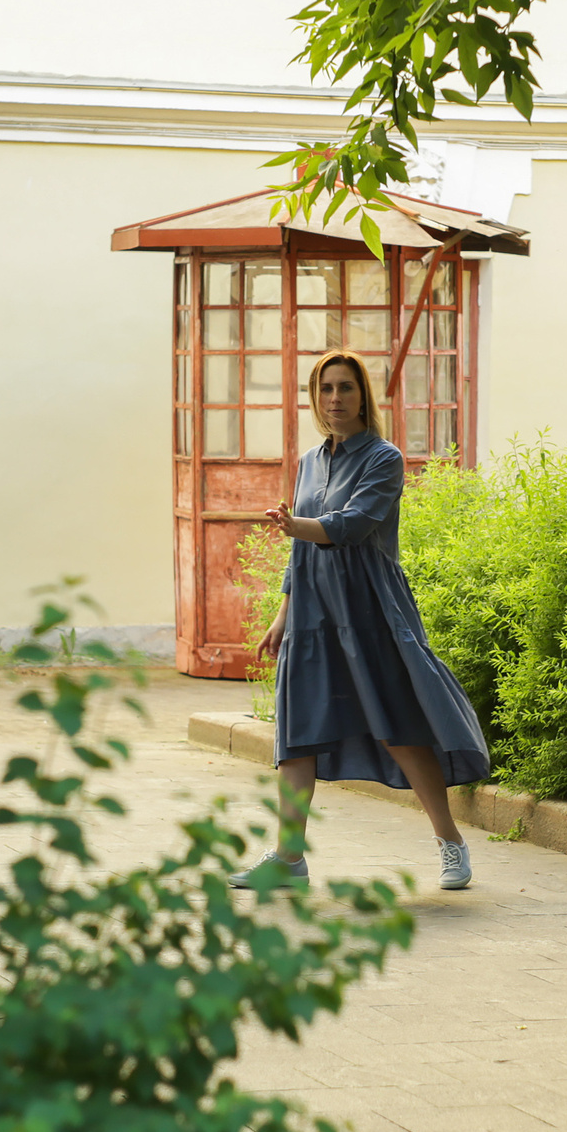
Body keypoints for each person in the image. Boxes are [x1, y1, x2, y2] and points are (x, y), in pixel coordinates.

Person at [229, 348, 493, 892]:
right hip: (311, 614)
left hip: (370, 611)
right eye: (326, 389)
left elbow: (350, 526)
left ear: (362, 395)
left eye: (346, 388)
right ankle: (289, 859)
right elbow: (302, 552)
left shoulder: (384, 458)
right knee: (296, 736)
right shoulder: (309, 460)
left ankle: (452, 845)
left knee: (397, 728)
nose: (335, 399)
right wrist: (283, 613)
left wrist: (293, 525)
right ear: (315, 396)